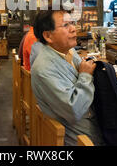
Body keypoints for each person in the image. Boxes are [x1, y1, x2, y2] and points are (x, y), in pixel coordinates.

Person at [31, 10, 103, 146]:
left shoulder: (69, 51)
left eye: (72, 23)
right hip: (82, 139)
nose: (73, 29)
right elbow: (74, 110)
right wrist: (86, 75)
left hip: (94, 128)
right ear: (48, 35)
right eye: (66, 25)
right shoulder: (44, 68)